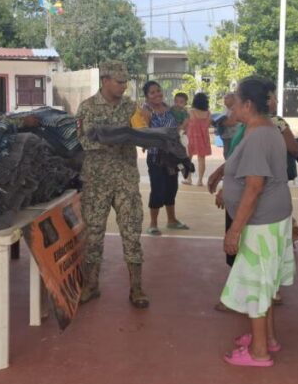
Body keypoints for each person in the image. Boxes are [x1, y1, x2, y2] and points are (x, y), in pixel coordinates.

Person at [218, 76, 295, 367]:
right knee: (266, 281)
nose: (231, 106)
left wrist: (234, 231)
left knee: (257, 283)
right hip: (271, 218)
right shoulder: (263, 129)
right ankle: (268, 338)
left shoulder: (259, 134)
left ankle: (259, 352)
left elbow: (254, 186)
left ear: (247, 104)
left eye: (235, 101)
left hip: (262, 221)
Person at [76, 60, 149, 308]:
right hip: (96, 182)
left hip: (126, 180)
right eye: (119, 82)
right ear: (105, 80)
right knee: (94, 234)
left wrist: (144, 130)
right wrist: (122, 135)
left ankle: (136, 288)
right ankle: (91, 284)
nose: (123, 86)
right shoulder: (87, 108)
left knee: (132, 232)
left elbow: (143, 137)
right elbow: (86, 142)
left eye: (125, 81)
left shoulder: (132, 108)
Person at [139, 81, 189, 236]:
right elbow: (144, 132)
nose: (157, 94)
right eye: (152, 92)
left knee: (171, 188)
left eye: (158, 91)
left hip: (173, 157)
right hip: (156, 157)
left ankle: (172, 220)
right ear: (147, 96)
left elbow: (181, 124)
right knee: (157, 189)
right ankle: (153, 224)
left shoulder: (170, 109)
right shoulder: (146, 110)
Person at [184, 93, 212, 186]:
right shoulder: (208, 113)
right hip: (204, 138)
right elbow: (208, 125)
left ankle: (189, 179)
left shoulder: (190, 111)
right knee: (201, 159)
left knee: (188, 158)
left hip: (191, 138)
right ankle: (200, 180)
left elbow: (185, 124)